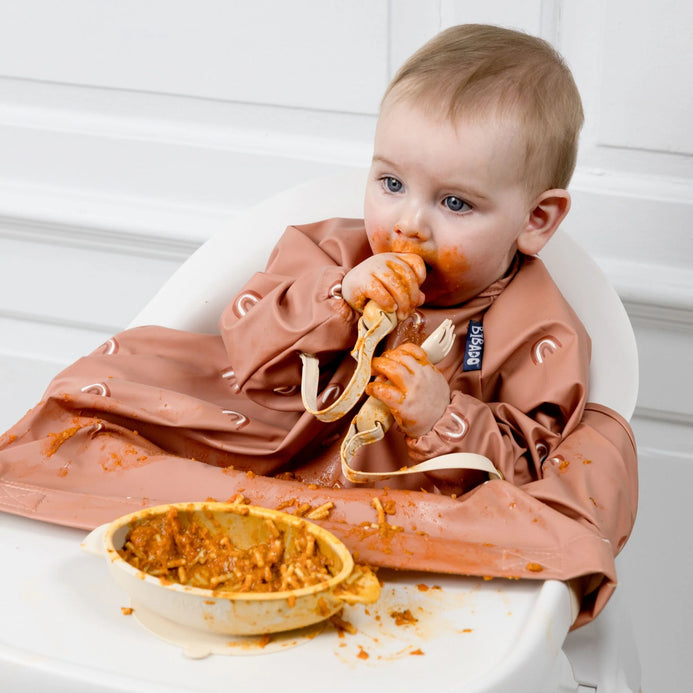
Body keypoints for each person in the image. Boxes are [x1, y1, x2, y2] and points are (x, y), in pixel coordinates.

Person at [0, 25, 637, 627]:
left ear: (537, 220)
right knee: (93, 409)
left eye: (454, 202)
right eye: (391, 182)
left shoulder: (540, 331)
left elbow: (532, 467)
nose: (408, 223)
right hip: (271, 449)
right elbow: (251, 352)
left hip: (412, 510)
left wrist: (442, 415)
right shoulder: (333, 252)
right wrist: (339, 298)